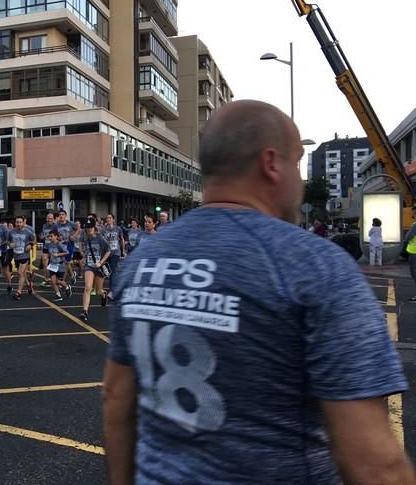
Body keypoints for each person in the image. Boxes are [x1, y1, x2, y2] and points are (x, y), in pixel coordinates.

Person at [103, 100, 414, 484]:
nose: (299, 182)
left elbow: (117, 399)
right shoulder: (315, 266)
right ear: (271, 163)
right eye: (297, 163)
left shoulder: (142, 259)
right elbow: (374, 466)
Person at [80, 218, 111, 322]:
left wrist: (101, 262)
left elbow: (108, 251)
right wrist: (84, 257)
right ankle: (85, 311)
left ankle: (103, 294)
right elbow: (86, 249)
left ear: (94, 227)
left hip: (99, 267)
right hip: (89, 266)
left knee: (98, 291)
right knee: (88, 287)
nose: (89, 229)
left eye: (91, 227)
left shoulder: (100, 238)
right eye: (87, 228)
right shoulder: (85, 237)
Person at [8, 215, 36, 300]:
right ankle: (28, 284)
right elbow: (8, 240)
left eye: (20, 222)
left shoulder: (28, 232)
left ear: (23, 222)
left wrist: (30, 245)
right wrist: (10, 244)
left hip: (25, 255)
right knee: (22, 273)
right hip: (16, 255)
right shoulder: (12, 232)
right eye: (17, 222)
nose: (19, 224)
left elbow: (34, 240)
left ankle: (18, 292)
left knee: (20, 273)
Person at [44, 230, 72, 302]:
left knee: (58, 281)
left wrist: (58, 254)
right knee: (53, 281)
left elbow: (67, 252)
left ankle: (67, 287)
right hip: (52, 264)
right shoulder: (49, 245)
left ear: (56, 236)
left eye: (51, 236)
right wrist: (47, 260)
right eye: (49, 236)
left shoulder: (59, 244)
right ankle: (58, 295)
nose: (50, 238)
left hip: (60, 265)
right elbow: (48, 254)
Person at [101, 214, 126, 286]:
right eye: (107, 218)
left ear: (113, 220)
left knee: (112, 270)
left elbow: (122, 239)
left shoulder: (118, 229)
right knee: (105, 271)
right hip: (106, 253)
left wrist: (123, 250)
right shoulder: (103, 229)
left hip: (115, 252)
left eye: (110, 218)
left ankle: (111, 290)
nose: (108, 219)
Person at [55, 209, 77, 284]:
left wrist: (73, 236)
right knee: (64, 262)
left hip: (69, 245)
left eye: (63, 214)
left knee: (65, 262)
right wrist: (58, 238)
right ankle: (72, 274)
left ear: (66, 216)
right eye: (60, 215)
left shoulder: (70, 223)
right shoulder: (56, 225)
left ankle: (62, 280)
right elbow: (53, 234)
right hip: (61, 245)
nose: (61, 216)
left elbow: (78, 229)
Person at [39, 212, 57, 287]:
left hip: (54, 248)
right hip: (46, 247)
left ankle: (56, 280)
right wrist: (42, 237)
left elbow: (58, 237)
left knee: (54, 265)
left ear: (53, 219)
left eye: (51, 219)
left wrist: (51, 237)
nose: (49, 220)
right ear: (46, 219)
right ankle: (46, 279)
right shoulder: (44, 226)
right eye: (48, 218)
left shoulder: (56, 226)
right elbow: (41, 236)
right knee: (44, 263)